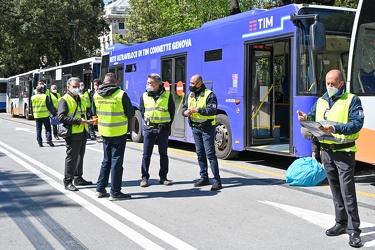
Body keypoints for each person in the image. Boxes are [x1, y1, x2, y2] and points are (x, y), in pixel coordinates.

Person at [297, 69, 364, 248]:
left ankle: (354, 231)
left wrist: (334, 129)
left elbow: (357, 124)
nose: (329, 86)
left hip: (344, 152)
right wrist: (305, 118)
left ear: (341, 83)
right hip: (327, 152)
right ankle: (340, 223)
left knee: (347, 191)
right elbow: (313, 120)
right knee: (335, 190)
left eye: (333, 84)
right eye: (327, 83)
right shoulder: (320, 101)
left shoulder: (352, 100)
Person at [93, 73, 135, 201]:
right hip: (118, 132)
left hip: (104, 131)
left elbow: (93, 112)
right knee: (117, 162)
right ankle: (115, 192)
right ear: (116, 82)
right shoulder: (121, 94)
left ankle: (100, 189)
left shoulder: (96, 95)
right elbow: (131, 113)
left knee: (106, 160)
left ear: (104, 82)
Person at [182, 74, 222, 191]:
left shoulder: (210, 95)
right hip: (195, 128)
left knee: (210, 154)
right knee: (200, 153)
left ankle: (217, 181)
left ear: (199, 84)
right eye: (190, 83)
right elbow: (184, 109)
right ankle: (204, 177)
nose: (190, 85)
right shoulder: (190, 95)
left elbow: (212, 110)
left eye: (192, 83)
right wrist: (186, 113)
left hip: (207, 128)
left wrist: (197, 110)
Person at [58, 77, 94, 191]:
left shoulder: (80, 98)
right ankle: (68, 181)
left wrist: (88, 120)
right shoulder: (64, 99)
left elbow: (83, 112)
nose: (77, 88)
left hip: (82, 131)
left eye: (78, 86)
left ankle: (78, 178)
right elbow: (61, 117)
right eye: (74, 86)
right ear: (68, 87)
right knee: (71, 158)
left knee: (80, 156)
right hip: (72, 133)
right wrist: (79, 121)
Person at [139, 73, 175, 187]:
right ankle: (144, 178)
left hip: (162, 129)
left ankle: (163, 177)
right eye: (147, 82)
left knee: (163, 154)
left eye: (150, 83)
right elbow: (142, 111)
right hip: (149, 128)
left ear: (158, 84)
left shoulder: (168, 96)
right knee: (146, 154)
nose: (148, 84)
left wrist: (167, 125)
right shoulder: (144, 96)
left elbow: (171, 112)